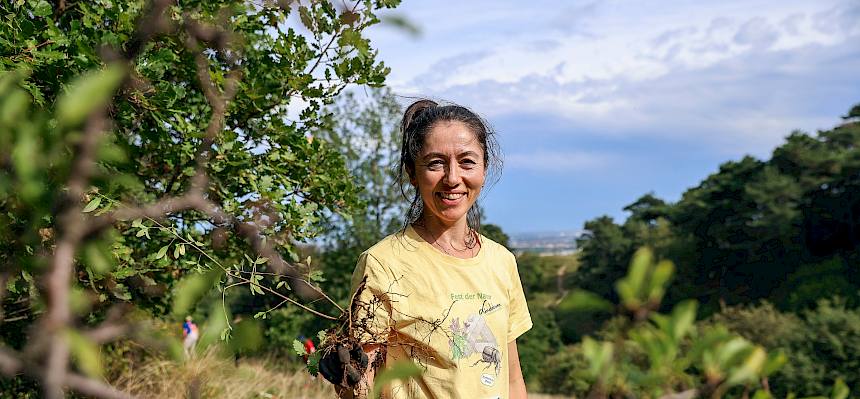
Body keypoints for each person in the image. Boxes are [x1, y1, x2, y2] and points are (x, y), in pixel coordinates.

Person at [320, 100, 532, 399]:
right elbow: (361, 385)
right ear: (412, 172)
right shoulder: (383, 263)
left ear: (485, 167)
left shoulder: (501, 261)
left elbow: (511, 380)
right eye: (435, 163)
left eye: (467, 161)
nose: (453, 178)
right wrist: (344, 378)